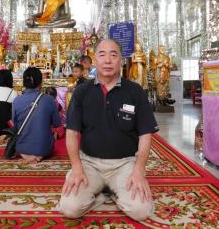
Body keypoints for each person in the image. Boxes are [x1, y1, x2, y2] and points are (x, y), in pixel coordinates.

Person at [59, 39, 159, 221]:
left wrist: (138, 170)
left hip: (124, 164)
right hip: (89, 163)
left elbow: (146, 134)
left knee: (141, 211)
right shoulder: (81, 92)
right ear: (94, 60)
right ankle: (104, 192)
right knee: (69, 208)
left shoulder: (135, 91)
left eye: (113, 55)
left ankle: (112, 191)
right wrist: (77, 168)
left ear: (121, 60)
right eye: (102, 55)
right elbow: (71, 133)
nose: (107, 60)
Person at [12, 67, 60, 163]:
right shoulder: (49, 100)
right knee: (53, 132)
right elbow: (56, 123)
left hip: (22, 148)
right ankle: (38, 154)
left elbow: (15, 124)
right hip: (44, 148)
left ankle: (27, 154)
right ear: (41, 81)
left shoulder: (17, 100)